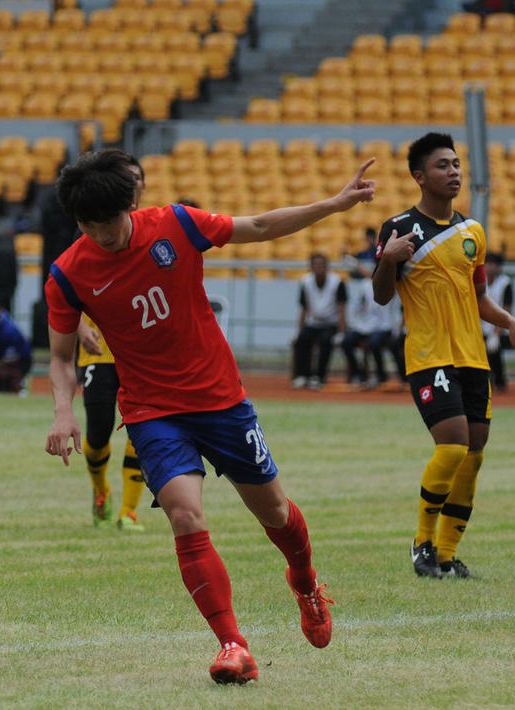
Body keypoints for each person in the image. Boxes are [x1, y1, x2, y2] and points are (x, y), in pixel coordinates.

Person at [44, 149, 375, 684]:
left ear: (129, 205)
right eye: (87, 225)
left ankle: (306, 582)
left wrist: (335, 204)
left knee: (275, 514)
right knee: (184, 515)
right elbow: (60, 357)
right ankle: (232, 646)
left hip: (220, 400)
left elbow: (262, 225)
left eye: (107, 222)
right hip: (152, 411)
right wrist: (63, 412)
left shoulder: (176, 224)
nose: (101, 235)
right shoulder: (67, 274)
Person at [372, 132, 515, 580]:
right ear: (419, 176)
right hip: (429, 355)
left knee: (474, 455)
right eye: (442, 166)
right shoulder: (397, 228)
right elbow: (381, 296)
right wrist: (387, 260)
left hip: (472, 357)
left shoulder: (473, 232)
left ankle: (447, 554)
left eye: (456, 165)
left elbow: (480, 298)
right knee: (451, 447)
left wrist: (511, 323)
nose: (453, 172)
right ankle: (422, 543)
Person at [75, 158, 147, 531]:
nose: (131, 184)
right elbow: (65, 292)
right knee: (99, 429)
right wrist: (76, 326)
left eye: (136, 180)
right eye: (126, 179)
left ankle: (129, 511)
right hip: (98, 351)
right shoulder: (94, 235)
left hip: (142, 354)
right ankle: (100, 488)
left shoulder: (153, 233)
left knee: (141, 431)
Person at [292, 253, 345, 389]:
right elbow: (303, 309)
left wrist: (341, 332)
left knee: (326, 341)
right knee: (302, 339)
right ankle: (302, 375)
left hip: (330, 324)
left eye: (321, 265)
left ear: (327, 267)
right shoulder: (305, 282)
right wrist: (298, 330)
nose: (318, 268)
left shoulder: (337, 282)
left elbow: (342, 309)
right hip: (313, 322)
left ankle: (319, 377)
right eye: (315, 265)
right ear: (310, 267)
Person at [341, 267, 393, 388]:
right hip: (365, 325)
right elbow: (358, 306)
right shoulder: (365, 285)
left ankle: (381, 374)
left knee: (373, 343)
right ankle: (358, 373)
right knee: (346, 342)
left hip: (383, 326)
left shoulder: (389, 282)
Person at [482, 253, 513, 392]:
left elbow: (507, 308)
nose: (490, 267)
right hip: (479, 327)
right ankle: (484, 381)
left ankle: (499, 381)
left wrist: (496, 333)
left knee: (494, 348)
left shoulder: (505, 283)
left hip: (499, 327)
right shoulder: (478, 281)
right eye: (487, 263)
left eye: (493, 264)